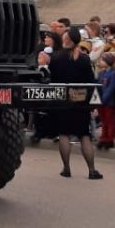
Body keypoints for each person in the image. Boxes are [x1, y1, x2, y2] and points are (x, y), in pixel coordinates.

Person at [47, 28, 103, 180]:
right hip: (80, 98)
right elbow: (91, 81)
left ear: (66, 40)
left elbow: (51, 78)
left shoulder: (56, 58)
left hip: (63, 97)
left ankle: (66, 168)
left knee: (64, 134)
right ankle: (91, 170)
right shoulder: (84, 59)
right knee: (84, 134)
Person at [97, 52, 115, 150]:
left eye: (102, 60)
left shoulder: (114, 74)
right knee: (103, 121)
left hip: (109, 101)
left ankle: (109, 139)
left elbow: (111, 88)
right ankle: (103, 138)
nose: (100, 62)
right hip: (101, 101)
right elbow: (98, 86)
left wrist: (103, 99)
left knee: (109, 121)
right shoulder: (101, 73)